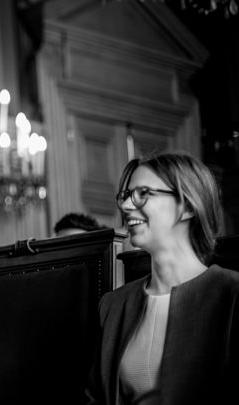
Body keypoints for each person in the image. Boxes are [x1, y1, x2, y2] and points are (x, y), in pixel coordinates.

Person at [86, 152, 239, 404]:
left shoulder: (231, 294)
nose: (125, 206)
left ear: (188, 205)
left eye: (143, 193)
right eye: (125, 196)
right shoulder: (112, 306)